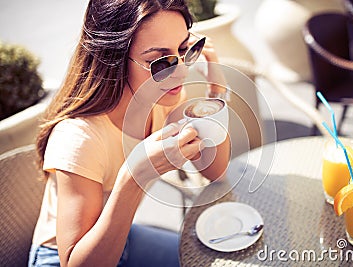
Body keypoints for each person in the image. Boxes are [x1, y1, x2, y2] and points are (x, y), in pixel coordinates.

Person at [28, 0, 230, 266]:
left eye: (184, 50)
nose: (181, 70)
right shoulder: (79, 138)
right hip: (64, 257)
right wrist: (135, 176)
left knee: (218, 257)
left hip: (123, 236)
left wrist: (217, 92)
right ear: (114, 58)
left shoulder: (164, 96)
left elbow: (215, 170)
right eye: (160, 61)